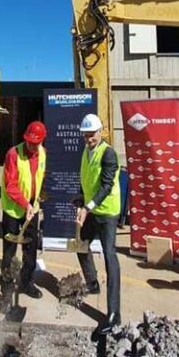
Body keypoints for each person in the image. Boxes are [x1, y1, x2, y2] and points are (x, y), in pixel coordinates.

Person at [75, 113, 121, 336]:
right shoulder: (86, 150)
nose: (89, 139)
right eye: (85, 135)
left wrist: (87, 207)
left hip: (107, 212)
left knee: (110, 255)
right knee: (81, 245)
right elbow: (86, 178)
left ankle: (114, 314)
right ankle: (92, 282)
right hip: (92, 209)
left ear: (100, 132)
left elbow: (105, 185)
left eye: (92, 135)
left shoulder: (109, 153)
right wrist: (80, 198)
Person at [0, 121, 47, 306]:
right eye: (29, 142)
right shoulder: (13, 154)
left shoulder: (43, 153)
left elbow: (42, 177)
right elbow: (10, 185)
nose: (31, 146)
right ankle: (6, 286)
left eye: (35, 143)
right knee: (10, 251)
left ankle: (26, 281)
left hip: (32, 210)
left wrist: (38, 200)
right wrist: (25, 203)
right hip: (13, 209)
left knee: (31, 248)